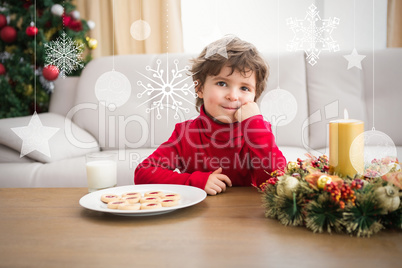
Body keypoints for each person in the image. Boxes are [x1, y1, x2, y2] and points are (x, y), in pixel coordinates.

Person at [134, 36, 286, 195]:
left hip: (246, 215)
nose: (233, 96)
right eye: (222, 83)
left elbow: (279, 182)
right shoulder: (185, 134)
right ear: (199, 88)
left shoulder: (259, 131)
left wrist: (255, 127)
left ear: (255, 97)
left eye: (245, 88)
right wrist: (194, 182)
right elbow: (143, 173)